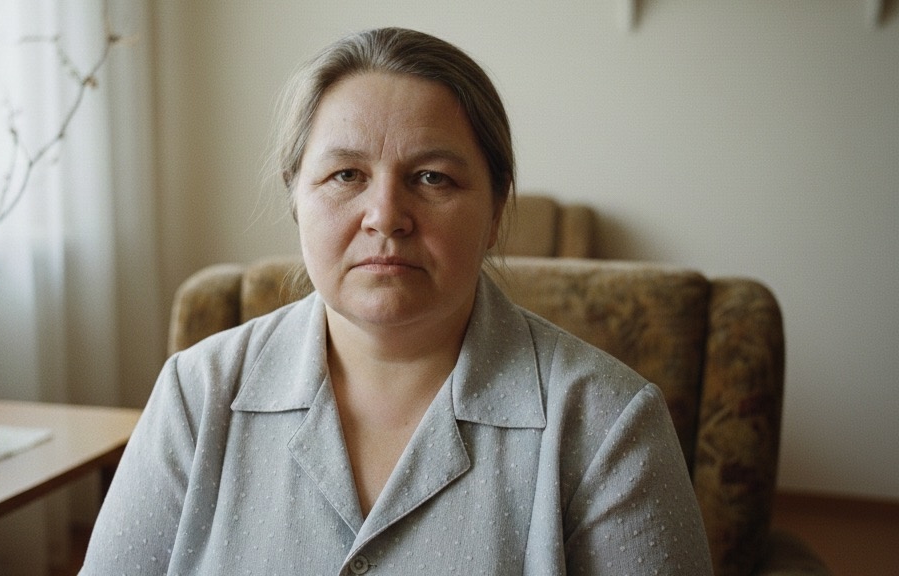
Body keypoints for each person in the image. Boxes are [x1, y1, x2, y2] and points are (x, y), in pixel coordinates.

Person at [81, 27, 713, 575]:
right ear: (296, 197)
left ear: (495, 212)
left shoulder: (609, 423)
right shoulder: (197, 394)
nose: (385, 215)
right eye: (346, 175)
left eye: (432, 177)